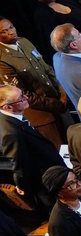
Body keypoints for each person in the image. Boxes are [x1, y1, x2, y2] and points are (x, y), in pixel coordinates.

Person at [0, 18, 67, 146]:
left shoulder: (24, 42)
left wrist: (62, 91)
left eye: (11, 27)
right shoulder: (2, 59)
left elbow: (46, 69)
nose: (11, 32)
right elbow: (23, 94)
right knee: (61, 152)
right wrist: (56, 104)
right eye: (4, 31)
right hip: (43, 116)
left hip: (60, 104)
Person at [0, 84, 64, 215]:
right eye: (20, 98)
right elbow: (18, 163)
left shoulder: (14, 117)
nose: (26, 98)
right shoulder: (10, 133)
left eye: (23, 93)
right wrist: (22, 185)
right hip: (45, 183)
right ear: (7, 107)